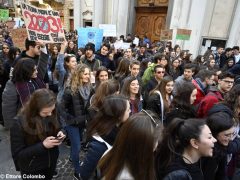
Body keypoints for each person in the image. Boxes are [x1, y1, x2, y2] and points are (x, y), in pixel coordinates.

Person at [10, 89, 66, 179]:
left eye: (52, 110)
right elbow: (19, 155)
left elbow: (61, 125)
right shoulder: (19, 123)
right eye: (45, 113)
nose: (50, 114)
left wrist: (62, 132)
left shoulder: (52, 111)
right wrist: (43, 146)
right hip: (32, 168)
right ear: (35, 109)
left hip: (50, 163)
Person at [79, 95, 131, 180]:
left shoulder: (120, 128)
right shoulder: (99, 145)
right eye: (128, 109)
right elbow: (84, 174)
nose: (130, 111)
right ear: (118, 114)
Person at [98, 110, 161, 180]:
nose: (157, 144)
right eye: (156, 140)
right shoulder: (126, 176)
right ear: (143, 146)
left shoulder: (111, 152)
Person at [61, 64, 92, 180]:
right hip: (72, 123)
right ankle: (77, 171)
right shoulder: (70, 90)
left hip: (82, 122)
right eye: (85, 74)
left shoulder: (88, 88)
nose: (88, 76)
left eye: (88, 74)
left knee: (77, 143)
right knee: (77, 146)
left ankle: (71, 158)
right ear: (78, 74)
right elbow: (60, 107)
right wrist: (70, 119)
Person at [202, 112, 239, 180]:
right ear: (214, 133)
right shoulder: (209, 153)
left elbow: (221, 174)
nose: (231, 139)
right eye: (226, 135)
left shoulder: (220, 148)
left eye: (232, 134)